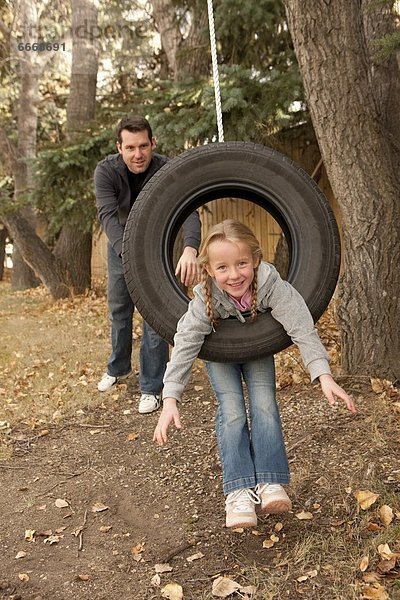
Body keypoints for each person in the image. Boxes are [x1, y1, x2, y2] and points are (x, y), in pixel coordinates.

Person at [153, 219, 356, 528]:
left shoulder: (269, 282)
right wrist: (170, 398)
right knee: (233, 411)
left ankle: (270, 482)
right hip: (219, 354)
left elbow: (300, 322)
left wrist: (323, 374)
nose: (234, 275)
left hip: (257, 348)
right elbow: (184, 343)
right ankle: (238, 490)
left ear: (256, 260)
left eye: (242, 263)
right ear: (208, 269)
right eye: (222, 267)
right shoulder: (204, 297)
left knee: (264, 405)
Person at [94, 116, 201, 414]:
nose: (137, 154)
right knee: (119, 310)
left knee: (155, 318)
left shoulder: (168, 169)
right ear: (120, 147)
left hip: (159, 247)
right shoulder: (105, 171)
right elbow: (108, 217)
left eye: (143, 146)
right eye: (130, 148)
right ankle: (118, 368)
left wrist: (190, 248)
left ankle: (152, 388)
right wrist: (126, 253)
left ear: (153, 143)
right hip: (121, 248)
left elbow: (189, 209)